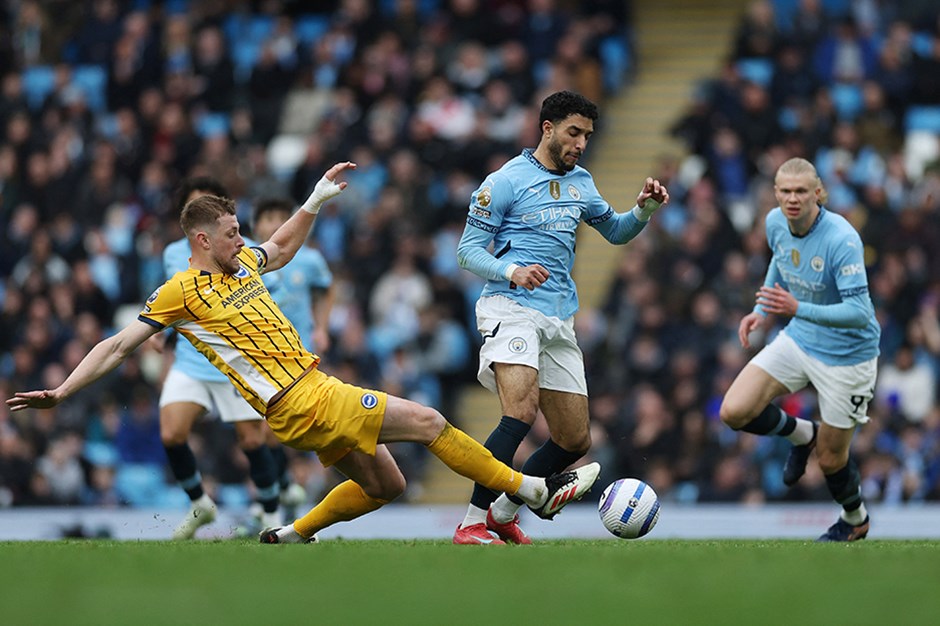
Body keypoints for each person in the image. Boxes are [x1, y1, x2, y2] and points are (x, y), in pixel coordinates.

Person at [7, 161, 600, 544]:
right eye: (233, 232)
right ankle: (528, 492)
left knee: (385, 486)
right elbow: (116, 346)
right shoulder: (179, 292)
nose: (244, 241)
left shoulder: (239, 264)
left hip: (299, 407)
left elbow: (282, 247)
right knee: (428, 420)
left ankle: (290, 534)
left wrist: (315, 199)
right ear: (201, 239)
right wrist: (62, 391)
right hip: (305, 399)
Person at [453, 90, 669, 545]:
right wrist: (512, 270)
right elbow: (467, 251)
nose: (581, 143)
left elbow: (615, 231)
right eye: (574, 133)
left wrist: (644, 209)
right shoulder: (504, 181)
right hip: (510, 308)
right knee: (520, 414)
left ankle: (502, 513)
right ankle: (470, 522)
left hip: (558, 316)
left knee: (574, 440)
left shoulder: (582, 183)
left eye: (588, 136)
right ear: (547, 129)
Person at [719, 157, 880, 542]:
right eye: (786, 191)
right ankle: (802, 434)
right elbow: (780, 258)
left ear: (818, 194)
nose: (793, 199)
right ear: (776, 194)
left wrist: (796, 308)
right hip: (801, 337)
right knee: (733, 411)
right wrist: (761, 311)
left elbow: (860, 313)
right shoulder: (775, 221)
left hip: (848, 357)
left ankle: (855, 518)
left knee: (831, 459)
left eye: (801, 192)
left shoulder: (841, 238)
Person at [157, 177, 283, 539]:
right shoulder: (170, 256)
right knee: (171, 432)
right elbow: (168, 304)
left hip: (232, 365)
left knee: (253, 442)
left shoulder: (241, 252)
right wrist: (159, 339)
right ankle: (201, 503)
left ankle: (271, 515)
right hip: (191, 362)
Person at [250, 196, 335, 518]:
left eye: (280, 218)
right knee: (259, 432)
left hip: (298, 354)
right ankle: (284, 489)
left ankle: (278, 494)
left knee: (271, 430)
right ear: (256, 225)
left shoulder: (309, 260)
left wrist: (322, 328)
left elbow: (327, 289)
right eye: (267, 218)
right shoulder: (246, 261)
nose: (273, 225)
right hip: (258, 355)